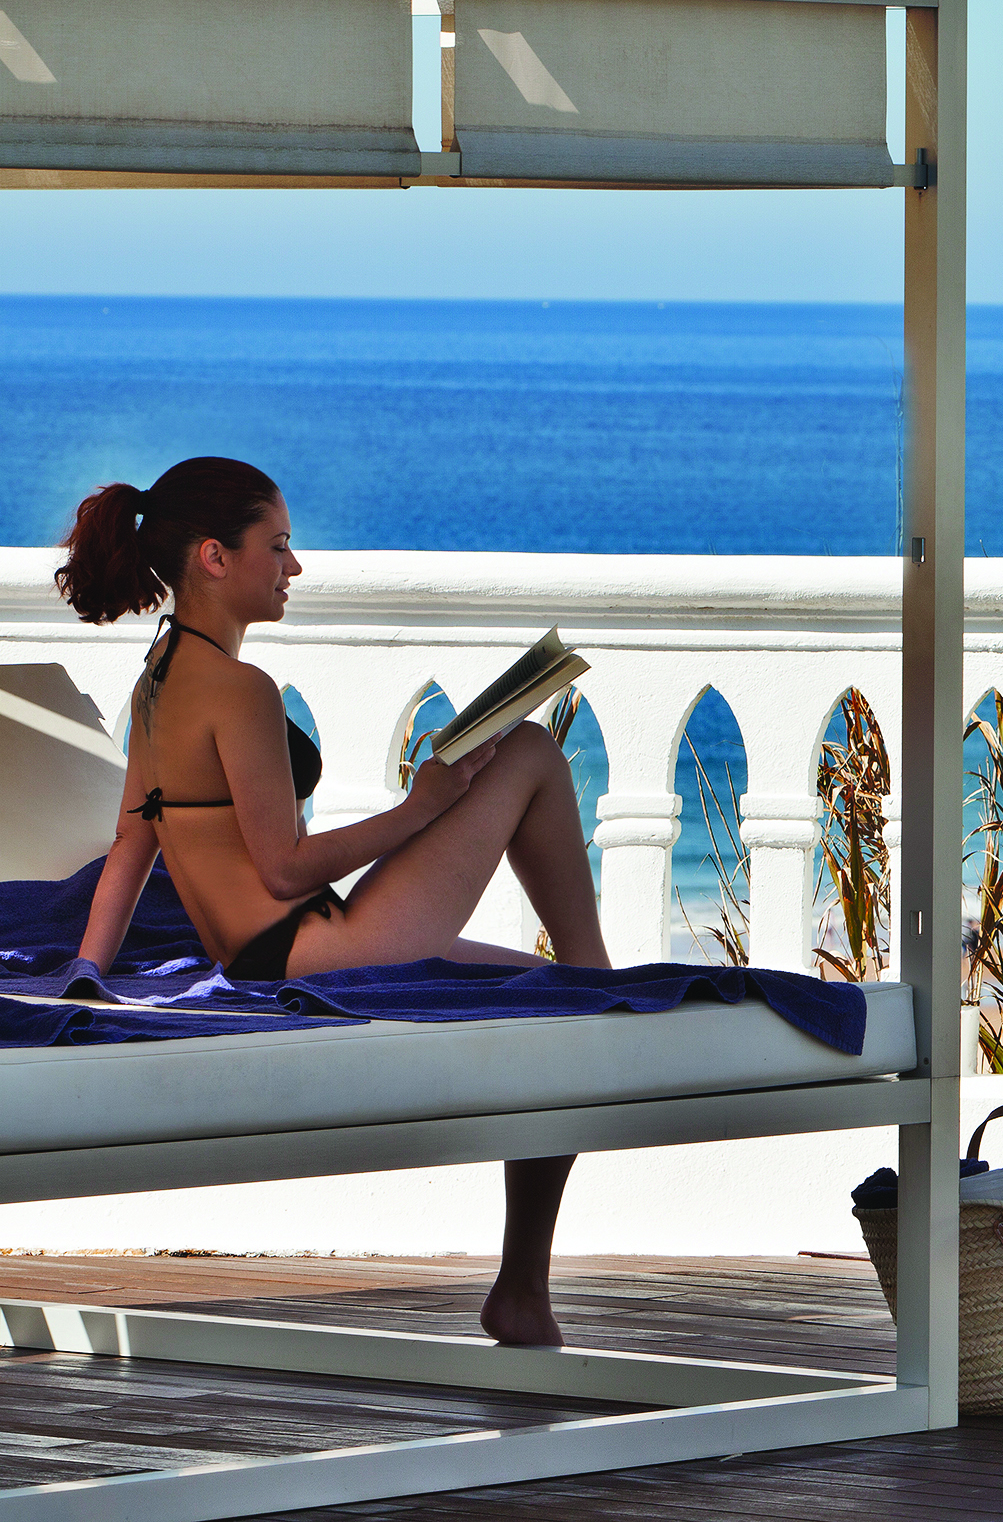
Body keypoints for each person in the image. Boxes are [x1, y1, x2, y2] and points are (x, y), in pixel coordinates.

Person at [55, 458, 609, 1346]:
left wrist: (88, 969)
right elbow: (282, 868)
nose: (294, 566)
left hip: (275, 951)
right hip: (323, 944)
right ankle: (599, 981)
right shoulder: (240, 692)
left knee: (539, 991)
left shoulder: (157, 683)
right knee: (534, 753)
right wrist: (420, 808)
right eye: (277, 546)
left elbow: (133, 842)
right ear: (213, 557)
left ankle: (522, 1290)